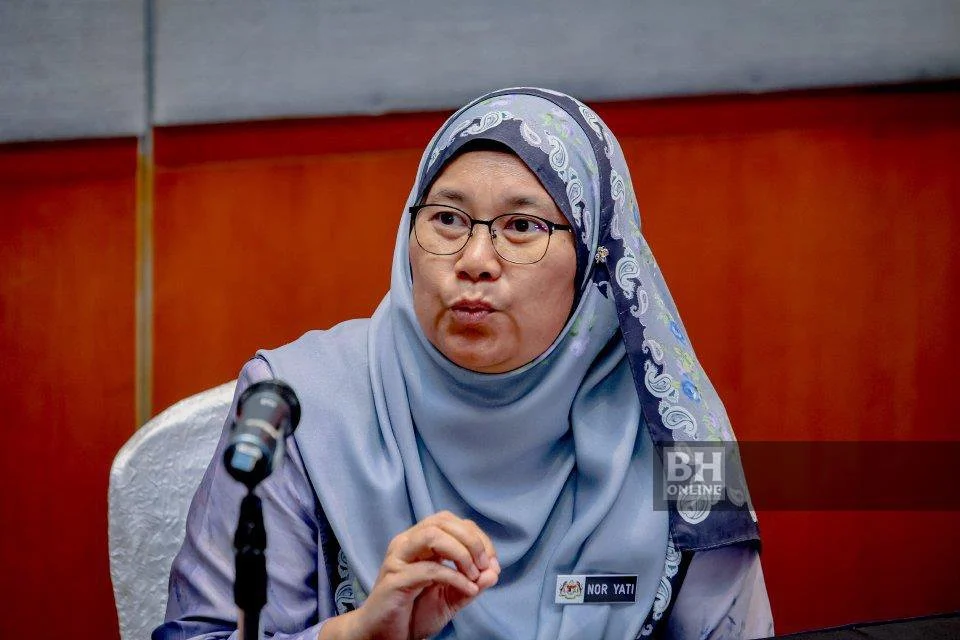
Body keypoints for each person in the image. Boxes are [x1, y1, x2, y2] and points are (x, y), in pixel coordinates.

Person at [154, 88, 774, 640]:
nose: (475, 259)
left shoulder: (685, 432)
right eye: (447, 220)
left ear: (593, 260)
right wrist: (356, 636)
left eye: (522, 226)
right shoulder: (293, 403)